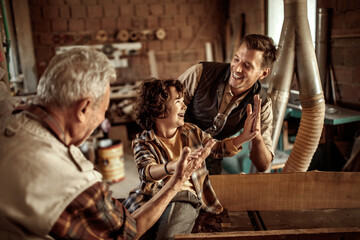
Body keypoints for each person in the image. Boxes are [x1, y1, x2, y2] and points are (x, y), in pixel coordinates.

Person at [0, 48, 211, 239]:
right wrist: (176, 182)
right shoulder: (75, 182)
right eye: (103, 110)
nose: (102, 120)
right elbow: (126, 234)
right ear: (84, 109)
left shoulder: (6, 117)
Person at [123, 78, 261, 239]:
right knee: (127, 231)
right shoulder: (142, 141)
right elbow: (146, 172)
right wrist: (174, 166)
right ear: (160, 110)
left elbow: (217, 148)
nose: (184, 105)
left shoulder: (192, 131)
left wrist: (243, 137)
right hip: (152, 196)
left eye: (183, 101)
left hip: (183, 196)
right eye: (178, 101)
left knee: (167, 236)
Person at [178, 34, 279, 174]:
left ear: (263, 74)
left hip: (211, 156)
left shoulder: (262, 105)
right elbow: (163, 113)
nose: (237, 69)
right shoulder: (199, 74)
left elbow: (263, 165)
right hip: (175, 150)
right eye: (236, 59)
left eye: (247, 65)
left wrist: (256, 135)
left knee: (209, 193)